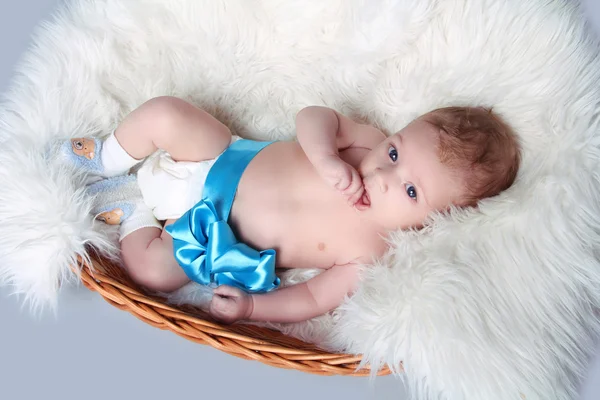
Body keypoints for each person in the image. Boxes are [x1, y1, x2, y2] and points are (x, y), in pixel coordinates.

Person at [59, 96, 520, 324]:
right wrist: (325, 155)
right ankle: (107, 156)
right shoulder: (365, 143)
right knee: (166, 113)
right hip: (220, 156)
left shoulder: (372, 251)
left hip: (204, 236)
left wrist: (255, 307)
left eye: (411, 192)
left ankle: (132, 210)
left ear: (432, 222)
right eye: (396, 153)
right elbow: (313, 116)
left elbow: (314, 298)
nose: (382, 174)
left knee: (152, 273)